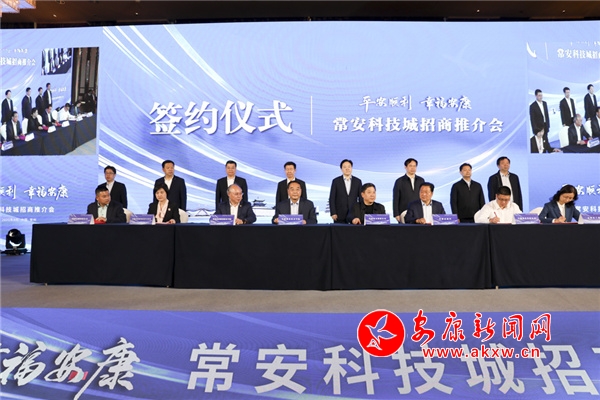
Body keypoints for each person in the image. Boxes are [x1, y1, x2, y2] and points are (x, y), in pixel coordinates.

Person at [329, 159, 362, 224]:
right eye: (344, 167)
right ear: (341, 169)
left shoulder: (358, 181)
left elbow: (361, 198)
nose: (347, 169)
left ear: (351, 168)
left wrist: (360, 213)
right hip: (339, 215)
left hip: (354, 215)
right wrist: (333, 212)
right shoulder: (336, 181)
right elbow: (332, 198)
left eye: (349, 167)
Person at [392, 158, 425, 222]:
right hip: (404, 211)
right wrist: (396, 214)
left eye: (414, 166)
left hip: (419, 211)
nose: (412, 168)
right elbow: (396, 198)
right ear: (405, 167)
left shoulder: (421, 180)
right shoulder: (399, 181)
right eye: (410, 166)